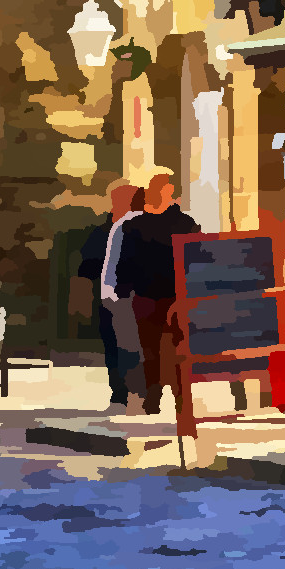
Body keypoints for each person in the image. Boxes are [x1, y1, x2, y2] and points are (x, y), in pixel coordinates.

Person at [108, 169, 202, 414]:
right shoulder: (140, 225)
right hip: (153, 296)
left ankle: (173, 396)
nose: (157, 192)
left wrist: (122, 286)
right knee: (155, 350)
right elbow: (126, 261)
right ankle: (160, 395)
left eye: (161, 187)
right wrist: (122, 287)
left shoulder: (182, 223)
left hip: (172, 297)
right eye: (154, 187)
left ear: (170, 191)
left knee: (173, 349)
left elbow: (196, 259)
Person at [69, 177, 139, 410]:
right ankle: (120, 391)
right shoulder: (103, 232)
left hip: (136, 299)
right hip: (114, 299)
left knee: (129, 347)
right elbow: (86, 268)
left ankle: (130, 392)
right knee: (114, 345)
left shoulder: (134, 229)